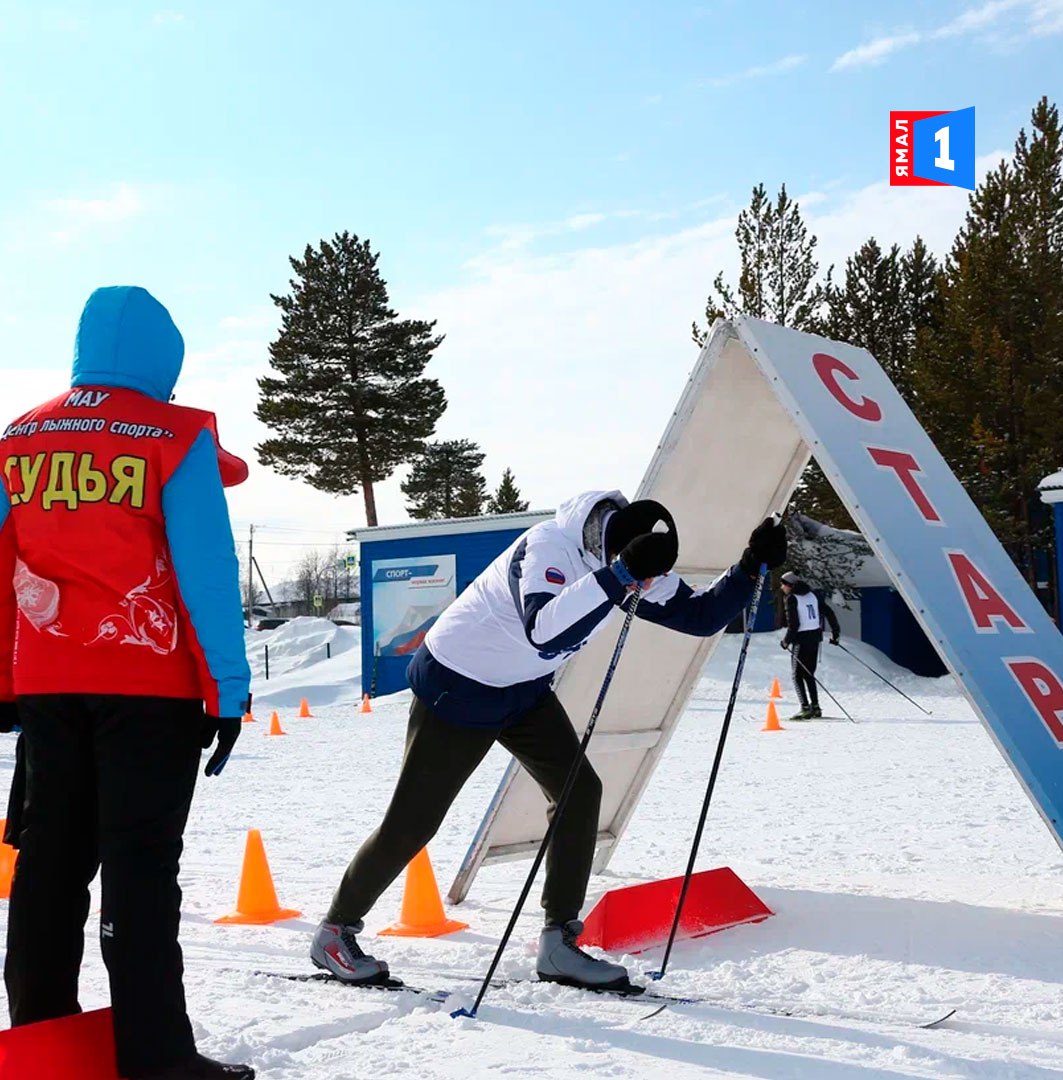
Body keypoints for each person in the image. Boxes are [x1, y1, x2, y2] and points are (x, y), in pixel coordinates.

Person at [311, 492, 786, 991]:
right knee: (413, 823)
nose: (646, 586)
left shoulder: (628, 559)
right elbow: (544, 630)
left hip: (522, 689)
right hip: (459, 683)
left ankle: (559, 942)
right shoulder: (549, 549)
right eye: (639, 574)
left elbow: (699, 617)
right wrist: (620, 578)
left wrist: (750, 565)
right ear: (612, 550)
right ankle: (334, 932)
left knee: (580, 792)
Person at [0, 287, 255, 1080]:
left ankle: (41, 1040)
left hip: (47, 682)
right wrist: (228, 689)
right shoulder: (175, 438)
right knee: (140, 867)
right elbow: (207, 572)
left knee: (48, 861)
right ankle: (156, 1057)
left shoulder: (15, 440)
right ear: (164, 359)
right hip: (150, 689)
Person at [779, 571, 840, 720]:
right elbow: (829, 612)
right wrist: (835, 632)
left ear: (790, 585)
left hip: (801, 639)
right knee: (809, 674)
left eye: (783, 584)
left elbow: (794, 624)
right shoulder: (813, 595)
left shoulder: (791, 598)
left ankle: (805, 707)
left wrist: (786, 641)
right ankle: (816, 707)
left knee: (797, 675)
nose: (781, 588)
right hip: (815, 638)